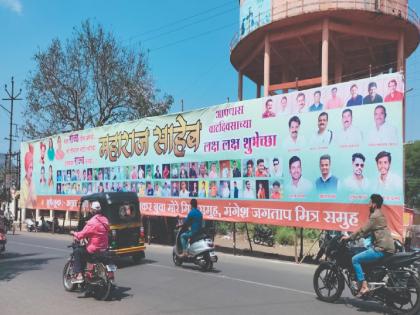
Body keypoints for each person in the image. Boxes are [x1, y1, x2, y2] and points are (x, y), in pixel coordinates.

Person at [341, 194, 394, 296]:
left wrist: (349, 238)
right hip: (387, 247)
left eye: (370, 202)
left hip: (381, 248)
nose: (368, 204)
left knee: (355, 259)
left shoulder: (375, 216)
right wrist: (363, 236)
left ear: (374, 204)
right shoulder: (380, 215)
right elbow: (372, 231)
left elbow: (363, 229)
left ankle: (364, 285)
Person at [70, 201, 109, 283]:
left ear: (92, 211)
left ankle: (79, 275)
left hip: (93, 249)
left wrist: (74, 233)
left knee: (77, 252)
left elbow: (81, 235)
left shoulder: (92, 222)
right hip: (104, 248)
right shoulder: (105, 220)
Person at [21, 144, 37, 209]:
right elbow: (24, 204)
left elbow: (35, 203)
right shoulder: (23, 184)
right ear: (26, 167)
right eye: (30, 167)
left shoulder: (32, 183)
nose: (31, 170)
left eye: (32, 167)